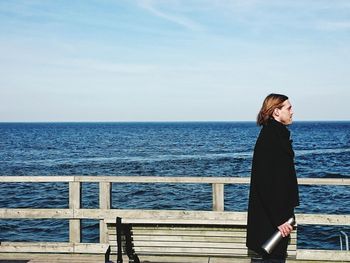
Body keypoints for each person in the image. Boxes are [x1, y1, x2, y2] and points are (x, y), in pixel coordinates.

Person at [246, 93, 300, 263]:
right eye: (289, 108)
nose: (292, 112)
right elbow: (265, 183)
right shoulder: (270, 138)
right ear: (276, 112)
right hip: (271, 225)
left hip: (276, 222)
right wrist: (280, 220)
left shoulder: (276, 135)